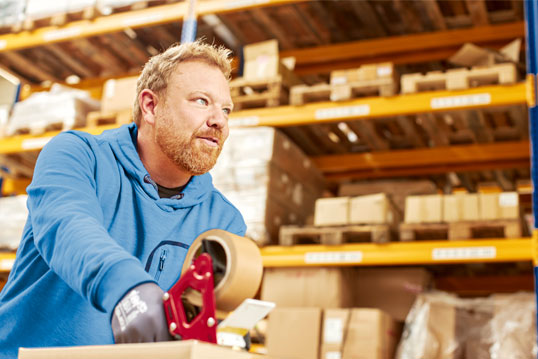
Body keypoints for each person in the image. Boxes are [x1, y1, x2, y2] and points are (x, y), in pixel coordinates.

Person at [0, 40, 246, 358]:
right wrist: (129, 290)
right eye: (202, 101)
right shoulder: (77, 156)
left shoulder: (223, 222)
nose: (219, 121)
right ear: (151, 106)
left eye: (225, 109)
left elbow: (214, 320)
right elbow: (68, 226)